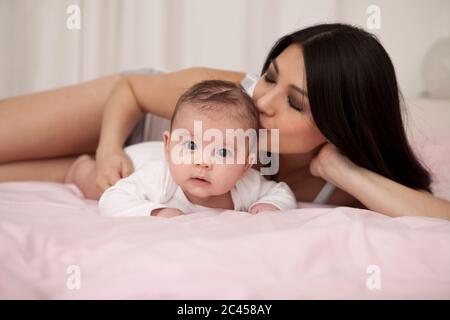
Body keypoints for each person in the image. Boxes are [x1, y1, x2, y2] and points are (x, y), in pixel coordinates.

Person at [0, 23, 449, 219]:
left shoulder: (335, 184)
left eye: (294, 103)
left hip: (140, 171)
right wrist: (108, 150)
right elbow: (132, 89)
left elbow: (438, 217)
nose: (262, 100)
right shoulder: (231, 91)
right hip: (132, 124)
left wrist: (339, 168)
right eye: (270, 76)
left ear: (337, 128)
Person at [94, 80, 297, 217]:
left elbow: (281, 192)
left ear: (245, 165)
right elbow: (111, 199)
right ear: (169, 146)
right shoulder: (161, 177)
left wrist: (270, 206)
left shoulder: (246, 185)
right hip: (132, 161)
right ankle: (81, 167)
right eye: (191, 145)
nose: (202, 162)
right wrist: (157, 212)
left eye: (223, 152)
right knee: (98, 182)